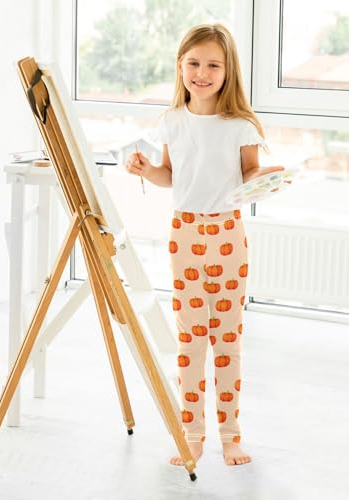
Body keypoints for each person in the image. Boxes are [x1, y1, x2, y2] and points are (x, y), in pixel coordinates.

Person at [125, 23, 284, 467]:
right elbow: (169, 175)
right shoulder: (171, 121)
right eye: (194, 63)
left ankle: (231, 436)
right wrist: (145, 170)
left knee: (227, 340)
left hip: (229, 235)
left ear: (228, 70)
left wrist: (268, 177)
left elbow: (250, 175)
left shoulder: (241, 125)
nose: (202, 73)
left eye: (213, 65)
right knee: (191, 340)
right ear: (180, 65)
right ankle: (192, 433)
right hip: (185, 235)